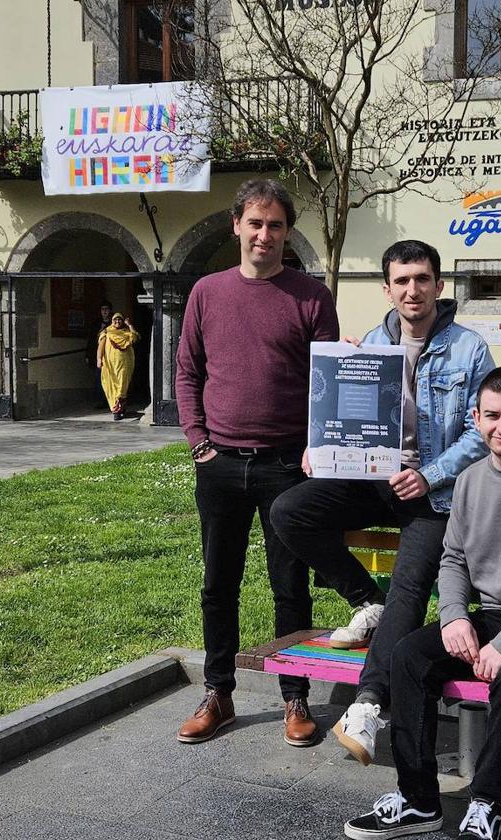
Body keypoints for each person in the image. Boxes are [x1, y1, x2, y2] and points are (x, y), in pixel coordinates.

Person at [344, 367, 501, 840]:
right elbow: (454, 558)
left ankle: (486, 803)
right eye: (494, 416)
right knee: (408, 656)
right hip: (491, 620)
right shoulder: (469, 481)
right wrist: (454, 617)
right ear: (477, 419)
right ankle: (418, 802)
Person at [270, 239, 494, 766]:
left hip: (434, 495)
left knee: (411, 589)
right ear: (387, 288)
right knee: (289, 511)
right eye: (402, 280)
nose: (412, 289)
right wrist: (321, 443)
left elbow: (480, 428)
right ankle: (363, 599)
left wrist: (430, 474)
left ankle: (369, 704)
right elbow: (350, 415)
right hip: (374, 480)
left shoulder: (470, 349)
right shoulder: (371, 340)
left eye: (422, 279)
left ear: (440, 286)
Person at [174, 178, 339, 747]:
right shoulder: (207, 293)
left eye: (275, 225)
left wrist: (314, 450)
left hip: (287, 467)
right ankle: (218, 690)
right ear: (236, 226)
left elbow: (328, 387)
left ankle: (295, 696)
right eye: (255, 223)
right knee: (219, 582)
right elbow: (188, 373)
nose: (264, 234)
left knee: (289, 585)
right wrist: (199, 441)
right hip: (218, 463)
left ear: (287, 232)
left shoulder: (312, 298)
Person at [97, 312, 139, 421]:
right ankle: (116, 410)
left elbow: (134, 337)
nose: (117, 322)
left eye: (119, 320)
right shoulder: (106, 332)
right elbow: (101, 347)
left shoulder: (126, 332)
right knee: (111, 386)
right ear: (112, 321)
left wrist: (129, 325)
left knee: (122, 386)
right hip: (110, 366)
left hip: (124, 365)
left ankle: (121, 408)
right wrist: (99, 359)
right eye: (115, 320)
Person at [87, 299, 113, 408]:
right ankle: (101, 401)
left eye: (106, 309)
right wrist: (87, 355)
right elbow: (91, 341)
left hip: (111, 356)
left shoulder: (114, 323)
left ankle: (111, 401)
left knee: (110, 379)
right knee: (99, 379)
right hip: (98, 356)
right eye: (102, 309)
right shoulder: (96, 324)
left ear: (110, 310)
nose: (104, 311)